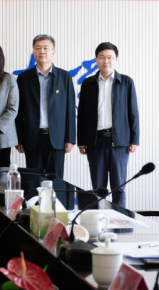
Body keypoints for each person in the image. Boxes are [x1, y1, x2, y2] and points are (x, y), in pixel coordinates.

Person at [77, 42, 139, 208]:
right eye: (102, 57)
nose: (106, 61)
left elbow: (133, 112)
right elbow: (82, 115)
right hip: (95, 142)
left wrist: (134, 140)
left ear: (116, 60)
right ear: (96, 60)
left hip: (119, 142)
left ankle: (120, 219)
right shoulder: (88, 84)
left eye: (110, 57)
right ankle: (100, 218)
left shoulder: (126, 82)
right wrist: (81, 141)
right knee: (98, 188)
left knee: (119, 187)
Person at [15, 34, 76, 179]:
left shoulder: (64, 77)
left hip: (57, 139)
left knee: (56, 182)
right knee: (33, 182)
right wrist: (19, 139)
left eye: (46, 48)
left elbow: (69, 109)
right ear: (33, 52)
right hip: (32, 138)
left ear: (53, 52)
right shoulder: (24, 78)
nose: (42, 51)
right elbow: (18, 111)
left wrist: (70, 138)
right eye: (38, 48)